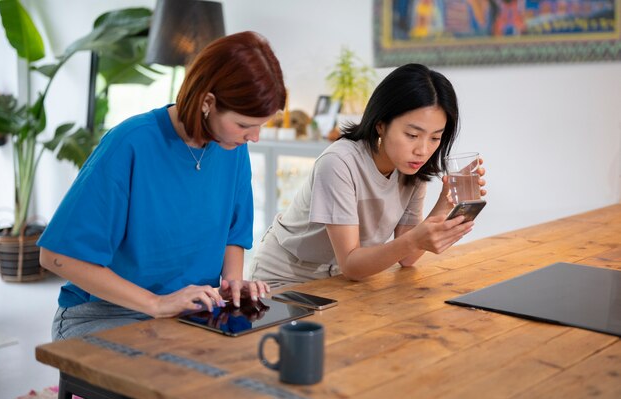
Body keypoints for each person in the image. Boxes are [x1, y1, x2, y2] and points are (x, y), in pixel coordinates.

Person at [38, 31, 286, 340]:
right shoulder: (130, 144)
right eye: (245, 125)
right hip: (106, 312)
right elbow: (56, 256)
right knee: (188, 372)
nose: (254, 137)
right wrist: (156, 303)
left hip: (187, 314)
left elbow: (234, 233)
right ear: (208, 102)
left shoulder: (231, 148)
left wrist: (231, 285)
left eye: (260, 126)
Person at [250, 63, 486, 288]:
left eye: (435, 138)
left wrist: (445, 204)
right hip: (286, 277)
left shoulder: (412, 171)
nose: (423, 150)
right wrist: (414, 239)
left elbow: (408, 258)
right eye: (412, 135)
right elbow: (351, 264)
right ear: (381, 124)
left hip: (341, 280)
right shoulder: (339, 163)